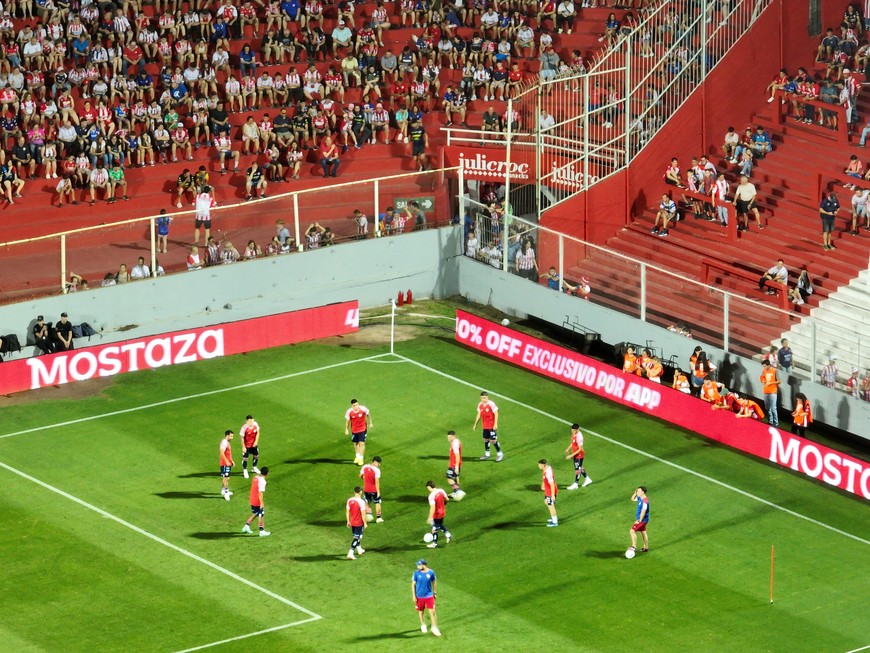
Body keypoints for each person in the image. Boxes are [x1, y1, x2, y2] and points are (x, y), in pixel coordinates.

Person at [412, 559, 441, 637]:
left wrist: (434, 592)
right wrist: (414, 595)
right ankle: (423, 624)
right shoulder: (416, 573)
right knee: (421, 611)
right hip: (419, 596)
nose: (417, 566)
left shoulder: (431, 572)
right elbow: (413, 584)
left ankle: (434, 627)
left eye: (419, 565)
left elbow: (434, 582)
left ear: (423, 565)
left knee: (432, 612)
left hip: (429, 596)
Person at [472, 390, 503, 461]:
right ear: (480, 398)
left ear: (487, 397)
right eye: (483, 398)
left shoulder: (491, 404)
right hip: (485, 426)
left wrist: (495, 424)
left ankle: (500, 454)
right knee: (486, 440)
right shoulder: (480, 405)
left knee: (493, 440)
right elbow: (479, 414)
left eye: (485, 398)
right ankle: (487, 454)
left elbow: (496, 413)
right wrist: (475, 424)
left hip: (491, 426)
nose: (484, 399)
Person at [241, 466, 271, 537]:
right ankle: (261, 531)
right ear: (267, 474)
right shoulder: (263, 481)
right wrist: (262, 503)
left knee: (256, 513)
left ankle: (246, 526)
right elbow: (260, 493)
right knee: (261, 514)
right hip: (257, 500)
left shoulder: (255, 477)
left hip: (252, 498)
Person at [345, 398, 373, 466]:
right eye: (354, 405)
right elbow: (348, 421)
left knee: (362, 443)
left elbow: (368, 414)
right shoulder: (349, 411)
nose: (356, 406)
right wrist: (346, 429)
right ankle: (357, 456)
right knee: (355, 444)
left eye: (357, 405)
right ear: (352, 405)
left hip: (362, 429)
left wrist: (370, 423)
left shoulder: (363, 409)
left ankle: (361, 458)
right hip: (354, 430)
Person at [564, 423, 592, 490]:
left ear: (577, 429)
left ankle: (575, 484)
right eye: (572, 430)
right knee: (580, 467)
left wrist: (571, 455)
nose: (572, 431)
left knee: (578, 469)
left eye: (574, 430)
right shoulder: (574, 433)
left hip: (579, 455)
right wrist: (568, 448)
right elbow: (573, 443)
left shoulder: (579, 437)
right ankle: (587, 479)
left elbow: (580, 449)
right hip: (575, 453)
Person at [425, 480, 452, 548]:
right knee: (439, 525)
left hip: (436, 515)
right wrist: (443, 504)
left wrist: (430, 517)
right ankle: (448, 535)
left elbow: (433, 507)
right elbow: (447, 499)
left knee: (434, 529)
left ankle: (434, 544)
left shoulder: (431, 496)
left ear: (429, 487)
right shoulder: (441, 490)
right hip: (442, 512)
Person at [345, 485, 367, 559]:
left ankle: (359, 549)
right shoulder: (361, 502)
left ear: (354, 492)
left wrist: (348, 521)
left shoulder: (349, 500)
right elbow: (363, 514)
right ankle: (350, 552)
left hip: (352, 522)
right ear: (360, 492)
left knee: (356, 536)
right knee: (357, 538)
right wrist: (365, 523)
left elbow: (347, 512)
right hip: (359, 523)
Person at [360, 456, 384, 523]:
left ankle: (369, 514)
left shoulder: (365, 466)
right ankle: (378, 518)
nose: (379, 464)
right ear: (375, 462)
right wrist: (378, 491)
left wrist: (365, 478)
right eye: (379, 463)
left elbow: (360, 476)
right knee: (377, 503)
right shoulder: (377, 470)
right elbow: (377, 482)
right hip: (374, 490)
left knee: (367, 501)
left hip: (366, 489)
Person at [628, 486, 650, 555]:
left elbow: (643, 511)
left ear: (643, 492)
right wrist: (635, 493)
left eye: (638, 491)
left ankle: (634, 547)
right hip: (643, 520)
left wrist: (639, 520)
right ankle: (646, 548)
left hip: (642, 520)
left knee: (632, 531)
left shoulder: (645, 501)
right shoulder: (640, 498)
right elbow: (632, 499)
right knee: (643, 532)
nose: (637, 492)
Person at [446, 431, 466, 500]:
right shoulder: (456, 441)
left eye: (450, 437)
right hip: (455, 463)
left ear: (454, 436)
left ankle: (458, 491)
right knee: (456, 476)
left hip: (454, 464)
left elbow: (457, 455)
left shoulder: (455, 444)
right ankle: (455, 492)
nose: (449, 438)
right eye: (448, 437)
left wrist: (456, 466)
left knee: (449, 477)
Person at [760, 360, 781, 427]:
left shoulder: (774, 371)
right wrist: (763, 381)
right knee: (767, 407)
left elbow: (779, 381)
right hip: (766, 391)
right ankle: (770, 421)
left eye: (764, 366)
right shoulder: (764, 370)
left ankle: (776, 423)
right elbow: (761, 378)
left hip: (773, 392)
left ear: (768, 365)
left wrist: (771, 383)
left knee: (773, 408)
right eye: (763, 366)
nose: (764, 367)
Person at [538, 459, 558, 527]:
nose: (538, 466)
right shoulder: (546, 468)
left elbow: (552, 484)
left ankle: (555, 522)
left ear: (543, 465)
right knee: (546, 502)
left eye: (539, 464)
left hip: (550, 491)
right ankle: (553, 517)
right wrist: (543, 484)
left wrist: (552, 495)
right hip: (548, 490)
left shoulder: (548, 472)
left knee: (551, 506)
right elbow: (545, 478)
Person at [240, 414, 261, 479]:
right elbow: (242, 438)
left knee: (256, 455)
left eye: (252, 421)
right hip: (247, 445)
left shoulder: (255, 424)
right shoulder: (244, 428)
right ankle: (245, 470)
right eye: (250, 421)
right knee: (245, 458)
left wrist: (256, 442)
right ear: (247, 421)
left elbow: (258, 433)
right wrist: (243, 447)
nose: (251, 422)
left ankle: (254, 467)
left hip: (253, 444)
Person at [219, 429, 235, 501]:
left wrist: (231, 461)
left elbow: (228, 454)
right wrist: (226, 462)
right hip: (225, 464)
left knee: (227, 478)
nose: (232, 438)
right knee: (226, 478)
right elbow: (222, 453)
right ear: (227, 435)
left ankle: (223, 490)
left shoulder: (227, 442)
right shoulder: (224, 442)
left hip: (227, 463)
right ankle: (226, 493)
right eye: (231, 436)